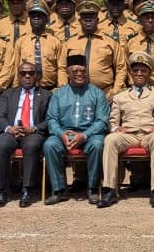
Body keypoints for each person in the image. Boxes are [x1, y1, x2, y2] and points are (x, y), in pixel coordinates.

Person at [98, 52, 154, 209]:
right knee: (110, 139)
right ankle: (110, 189)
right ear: (131, 73)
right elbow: (113, 121)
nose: (139, 74)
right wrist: (116, 128)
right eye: (136, 70)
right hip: (129, 135)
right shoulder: (120, 96)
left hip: (149, 134)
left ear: (149, 73)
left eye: (143, 71)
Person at [42, 54, 110, 205]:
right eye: (75, 71)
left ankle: (92, 188)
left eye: (82, 71)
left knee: (97, 145)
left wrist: (84, 135)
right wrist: (61, 134)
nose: (79, 74)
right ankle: (59, 190)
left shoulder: (97, 93)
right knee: (49, 145)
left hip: (90, 134)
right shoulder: (59, 94)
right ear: (68, 73)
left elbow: (102, 121)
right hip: (64, 133)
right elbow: (51, 118)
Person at [0, 62, 51, 207]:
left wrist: (34, 128)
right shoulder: (8, 94)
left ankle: (27, 190)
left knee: (31, 146)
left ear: (36, 76)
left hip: (33, 132)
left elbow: (51, 119)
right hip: (11, 131)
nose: (27, 76)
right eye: (23, 73)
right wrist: (9, 128)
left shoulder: (46, 95)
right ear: (18, 76)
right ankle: (2, 191)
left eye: (31, 73)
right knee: (0, 145)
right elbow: (0, 117)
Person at [13, 0, 63, 90]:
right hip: (26, 89)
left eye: (40, 15)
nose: (36, 18)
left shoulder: (55, 42)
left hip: (50, 89)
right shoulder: (21, 41)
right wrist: (16, 88)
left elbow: (61, 68)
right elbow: (16, 67)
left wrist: (61, 88)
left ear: (46, 19)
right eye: (33, 16)